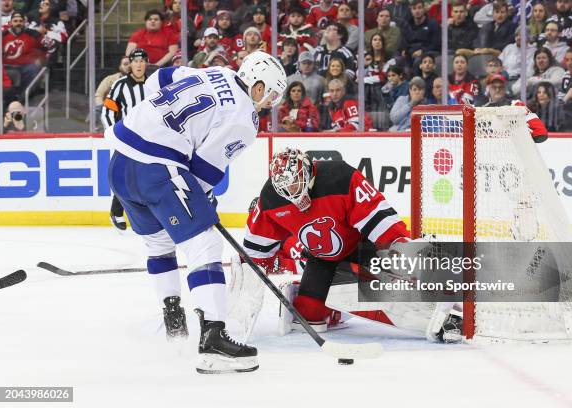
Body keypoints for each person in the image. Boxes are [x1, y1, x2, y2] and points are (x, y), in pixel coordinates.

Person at [105, 51, 287, 374]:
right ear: (257, 87)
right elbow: (203, 171)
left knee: (159, 243)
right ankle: (214, 339)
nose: (270, 102)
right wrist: (202, 202)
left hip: (120, 158)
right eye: (271, 94)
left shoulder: (218, 71)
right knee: (204, 243)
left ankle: (174, 322)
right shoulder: (245, 119)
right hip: (157, 164)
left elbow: (155, 80)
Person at [242, 147, 411, 332]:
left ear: (307, 169)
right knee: (308, 317)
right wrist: (249, 270)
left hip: (361, 248)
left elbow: (376, 216)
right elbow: (256, 250)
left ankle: (435, 291)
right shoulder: (270, 199)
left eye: (296, 181)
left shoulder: (339, 177)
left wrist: (399, 245)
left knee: (398, 283)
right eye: (285, 187)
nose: (292, 191)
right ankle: (336, 309)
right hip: (322, 261)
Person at [102, 49, 149, 230]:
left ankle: (144, 212)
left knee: (147, 175)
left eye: (142, 61)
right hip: (127, 137)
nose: (138, 64)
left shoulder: (153, 84)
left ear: (146, 63)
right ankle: (116, 211)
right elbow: (108, 111)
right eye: (135, 61)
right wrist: (115, 135)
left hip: (151, 138)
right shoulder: (120, 84)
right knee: (125, 176)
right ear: (130, 64)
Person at [3, 11, 47, 95]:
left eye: (20, 21)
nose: (18, 23)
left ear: (24, 23)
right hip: (5, 66)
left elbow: (46, 47)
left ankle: (23, 97)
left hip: (25, 66)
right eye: (15, 21)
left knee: (33, 68)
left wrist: (41, 59)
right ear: (10, 23)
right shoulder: (2, 35)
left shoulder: (33, 34)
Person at [399, 0, 441, 69]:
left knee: (418, 61)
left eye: (419, 8)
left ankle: (416, 79)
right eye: (414, 8)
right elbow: (404, 40)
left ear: (424, 9)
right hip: (410, 53)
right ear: (411, 10)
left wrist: (423, 51)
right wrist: (404, 49)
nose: (417, 11)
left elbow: (436, 43)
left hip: (427, 52)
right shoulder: (407, 24)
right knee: (397, 61)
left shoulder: (432, 23)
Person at [95, 56, 131, 129]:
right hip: (112, 111)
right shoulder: (110, 79)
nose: (128, 66)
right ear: (120, 66)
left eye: (130, 64)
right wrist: (101, 107)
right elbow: (99, 94)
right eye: (125, 64)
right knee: (97, 109)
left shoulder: (140, 80)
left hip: (131, 112)